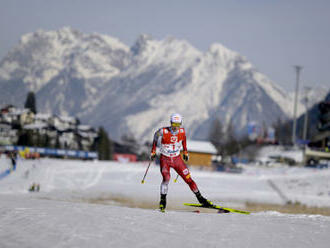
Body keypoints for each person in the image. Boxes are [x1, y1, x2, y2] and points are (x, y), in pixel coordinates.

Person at [150, 113, 213, 212]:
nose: (176, 128)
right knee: (166, 178)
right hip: (165, 159)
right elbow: (155, 136)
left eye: (178, 125)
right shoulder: (163, 131)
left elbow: (184, 140)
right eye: (174, 125)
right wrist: (153, 150)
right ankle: (162, 201)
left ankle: (201, 199)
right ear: (170, 123)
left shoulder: (182, 131)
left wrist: (185, 152)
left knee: (189, 179)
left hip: (177, 159)